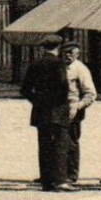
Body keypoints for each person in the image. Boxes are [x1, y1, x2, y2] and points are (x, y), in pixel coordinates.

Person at [20, 35, 75, 191]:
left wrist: (38, 101)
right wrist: (61, 104)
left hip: (41, 111)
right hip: (58, 110)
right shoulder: (59, 64)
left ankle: (47, 181)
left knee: (44, 145)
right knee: (60, 145)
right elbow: (63, 86)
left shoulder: (35, 64)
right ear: (58, 47)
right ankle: (60, 180)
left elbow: (25, 89)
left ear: (44, 47)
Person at [61, 43, 97, 185]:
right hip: (59, 108)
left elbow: (90, 93)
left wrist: (78, 106)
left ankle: (71, 174)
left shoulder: (80, 69)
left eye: (71, 53)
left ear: (77, 54)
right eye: (65, 52)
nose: (67, 55)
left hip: (73, 109)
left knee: (71, 142)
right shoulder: (60, 67)